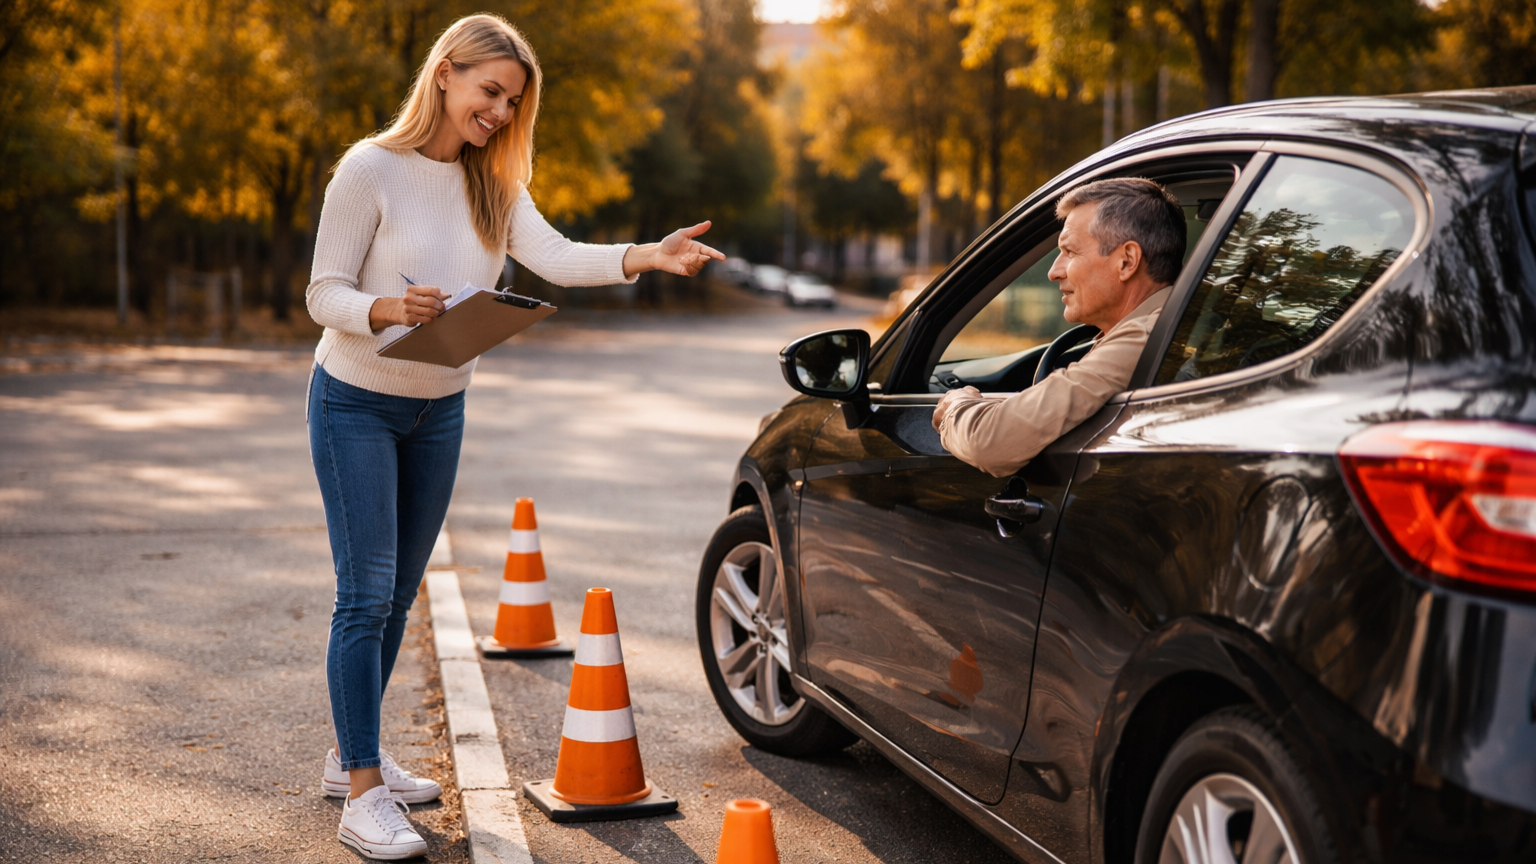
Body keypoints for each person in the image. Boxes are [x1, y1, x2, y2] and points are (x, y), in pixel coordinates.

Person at [303, 14, 723, 860]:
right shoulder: (369, 168)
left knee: (400, 593)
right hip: (354, 400)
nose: (499, 113)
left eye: (512, 102)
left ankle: (352, 752)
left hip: (439, 407)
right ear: (447, 74)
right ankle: (360, 792)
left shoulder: (494, 183)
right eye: (489, 92)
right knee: (366, 593)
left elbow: (558, 257)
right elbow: (322, 295)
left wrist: (647, 253)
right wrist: (385, 308)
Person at [932, 178, 1185, 476]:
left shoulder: (1147, 337)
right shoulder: (1167, 326)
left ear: (1127, 262)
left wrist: (955, 405)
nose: (1054, 271)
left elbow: (988, 443)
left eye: (1070, 252)